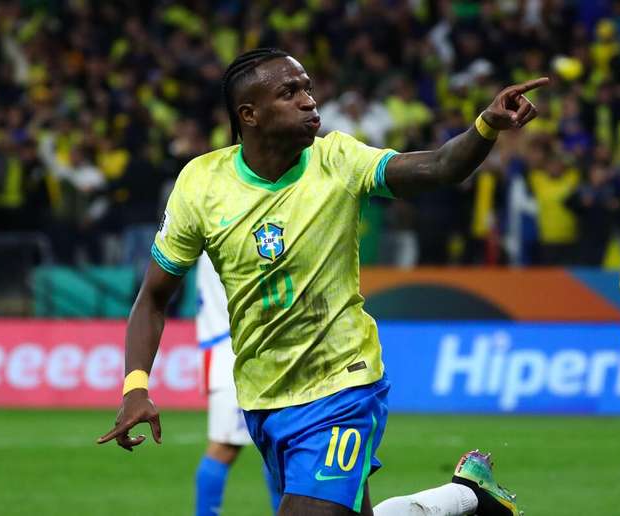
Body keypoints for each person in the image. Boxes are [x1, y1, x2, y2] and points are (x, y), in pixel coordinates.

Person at [98, 48, 546, 516]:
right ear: (249, 114)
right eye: (289, 92)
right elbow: (153, 296)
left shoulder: (338, 159)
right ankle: (468, 498)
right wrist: (135, 387)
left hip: (343, 384)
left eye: (308, 88)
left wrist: (487, 126)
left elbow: (438, 166)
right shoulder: (202, 184)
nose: (309, 101)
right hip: (264, 395)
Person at [194, 253, 281, 515]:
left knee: (278, 445)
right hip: (234, 351)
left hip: (245, 349)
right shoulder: (224, 236)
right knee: (224, 446)